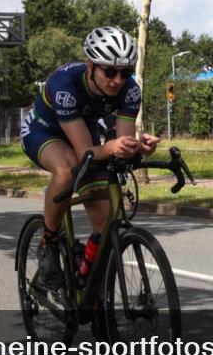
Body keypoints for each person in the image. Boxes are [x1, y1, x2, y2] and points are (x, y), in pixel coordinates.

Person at [21, 26, 160, 291]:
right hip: (44, 130)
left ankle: (89, 286)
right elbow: (86, 152)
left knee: (105, 220)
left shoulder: (130, 91)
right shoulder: (66, 86)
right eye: (109, 71)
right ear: (90, 66)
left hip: (84, 126)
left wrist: (137, 147)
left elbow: (121, 144)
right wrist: (110, 147)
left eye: (125, 72)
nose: (118, 80)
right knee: (67, 169)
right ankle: (48, 244)